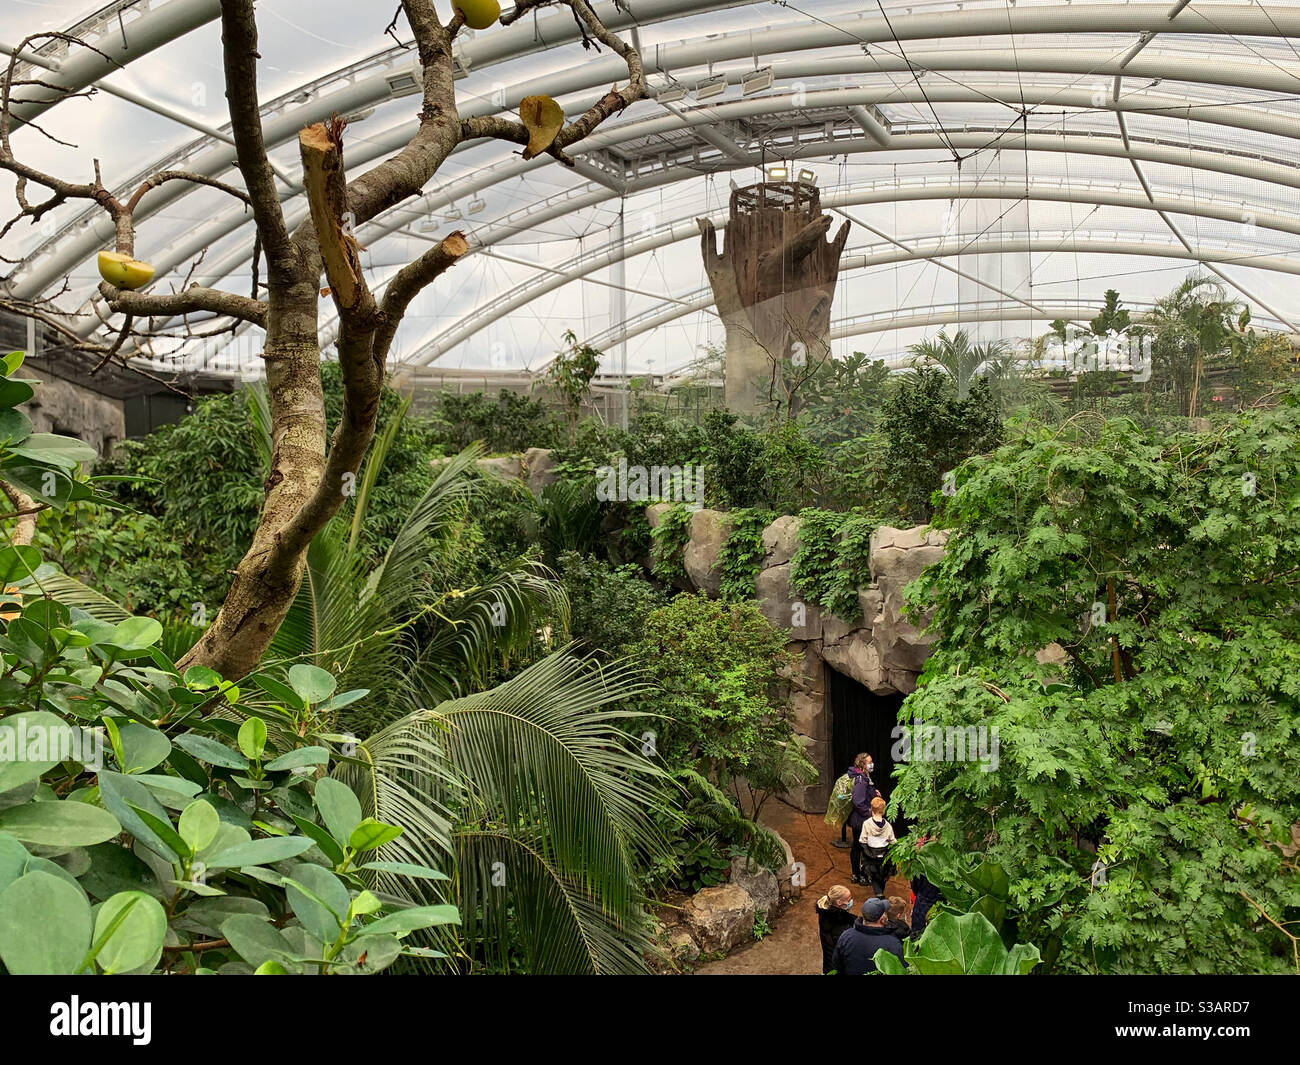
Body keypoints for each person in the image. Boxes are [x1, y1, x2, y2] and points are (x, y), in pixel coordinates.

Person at [829, 897, 905, 975]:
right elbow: (901, 970)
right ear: (882, 919)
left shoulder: (846, 936)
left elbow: (837, 965)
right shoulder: (893, 943)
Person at [846, 753, 881, 885]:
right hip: (861, 821)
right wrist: (869, 812)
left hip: (862, 820)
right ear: (862, 764)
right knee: (859, 847)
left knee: (860, 847)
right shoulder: (861, 779)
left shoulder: (865, 777)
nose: (872, 764)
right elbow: (858, 801)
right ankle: (858, 874)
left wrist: (873, 792)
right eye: (869, 762)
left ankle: (862, 874)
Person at [859, 795, 896, 898]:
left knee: (874, 876)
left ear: (871, 809)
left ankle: (879, 894)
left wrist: (868, 852)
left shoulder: (867, 824)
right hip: (884, 856)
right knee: (883, 875)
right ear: (883, 810)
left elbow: (862, 839)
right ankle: (880, 893)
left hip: (870, 855)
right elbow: (893, 841)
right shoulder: (888, 826)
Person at [815, 885, 857, 975]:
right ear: (839, 903)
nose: (851, 901)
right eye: (849, 899)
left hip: (828, 965)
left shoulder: (825, 913)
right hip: (836, 968)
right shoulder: (841, 926)